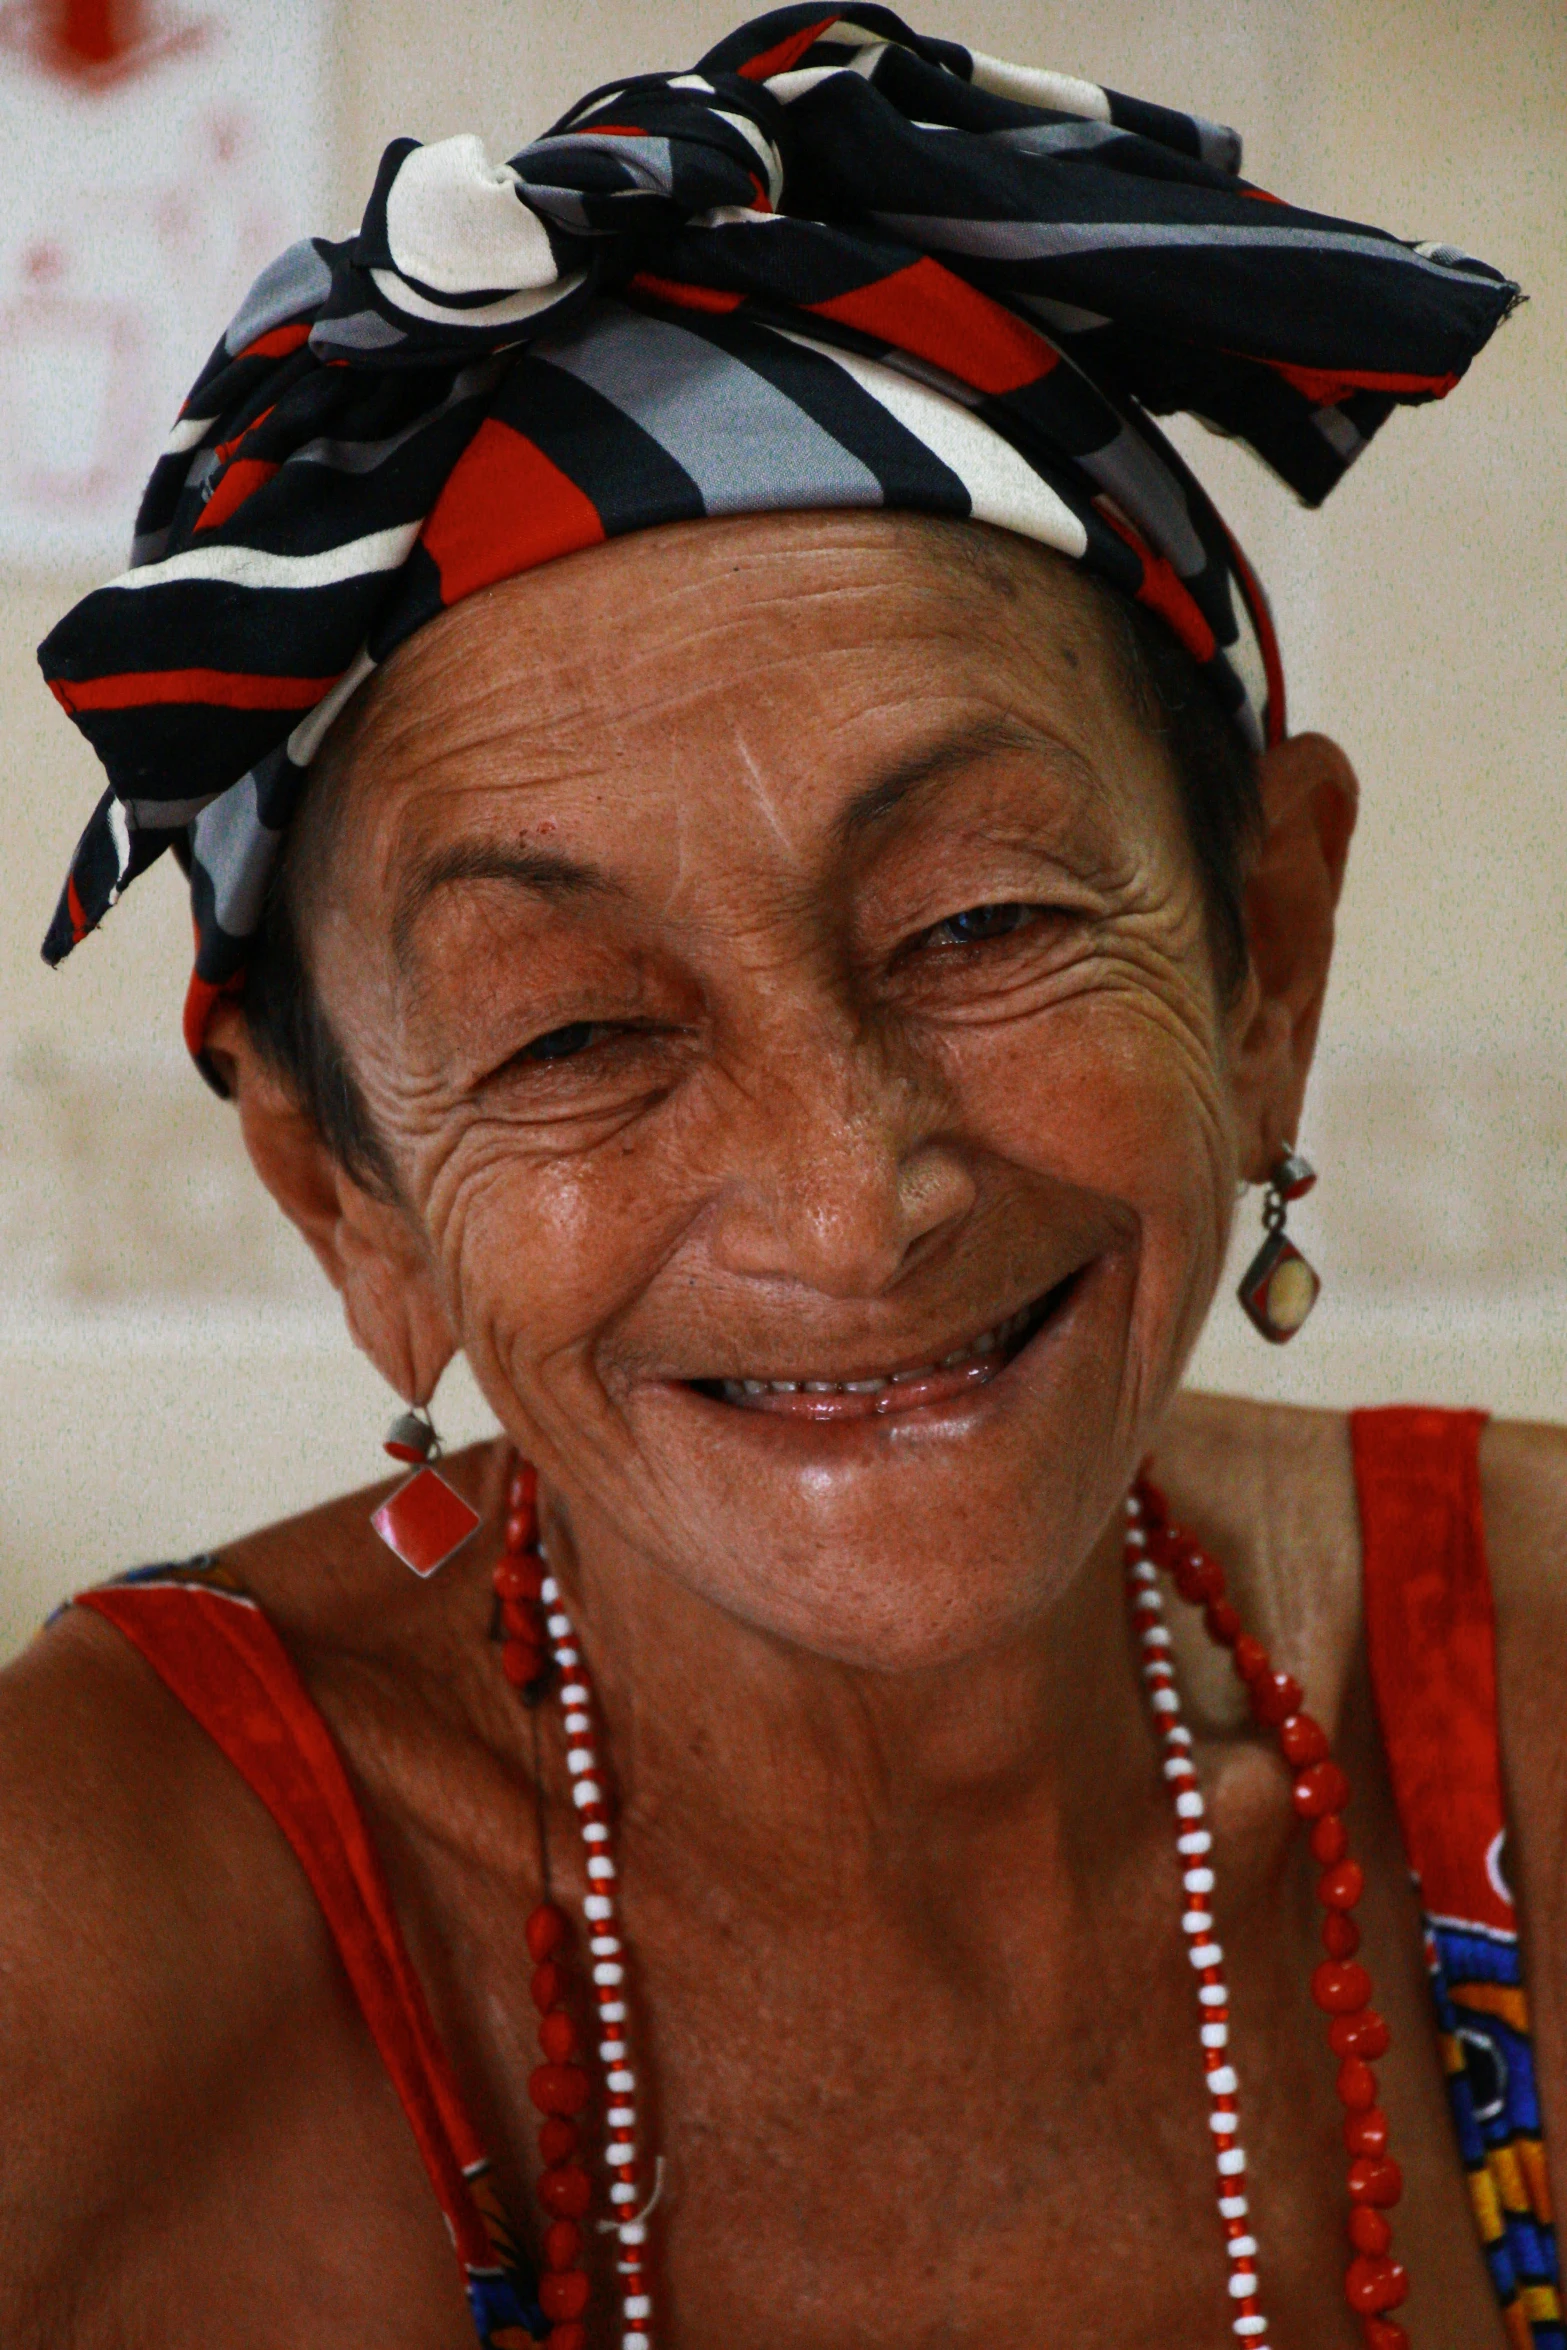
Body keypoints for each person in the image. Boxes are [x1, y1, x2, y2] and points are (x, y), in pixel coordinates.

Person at [0, 10, 1555, 2347]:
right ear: (351, 1199)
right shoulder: (93, 1923)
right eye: (579, 1029)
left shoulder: (1526, 1689)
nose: (852, 1200)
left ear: (1268, 965)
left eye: (983, 921)